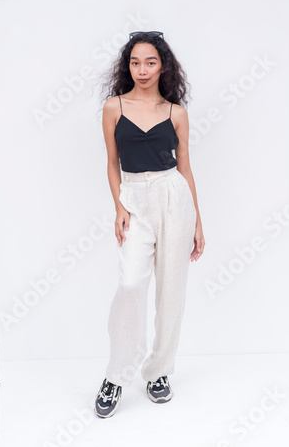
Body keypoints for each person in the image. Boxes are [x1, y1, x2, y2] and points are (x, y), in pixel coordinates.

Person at [94, 31, 205, 419]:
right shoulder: (113, 107)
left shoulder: (176, 112)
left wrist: (198, 222)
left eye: (150, 62)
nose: (142, 70)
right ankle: (116, 374)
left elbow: (186, 168)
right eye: (135, 62)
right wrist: (119, 206)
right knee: (129, 284)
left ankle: (158, 371)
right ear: (128, 66)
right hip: (134, 198)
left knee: (171, 290)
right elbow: (111, 162)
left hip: (174, 196)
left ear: (163, 66)